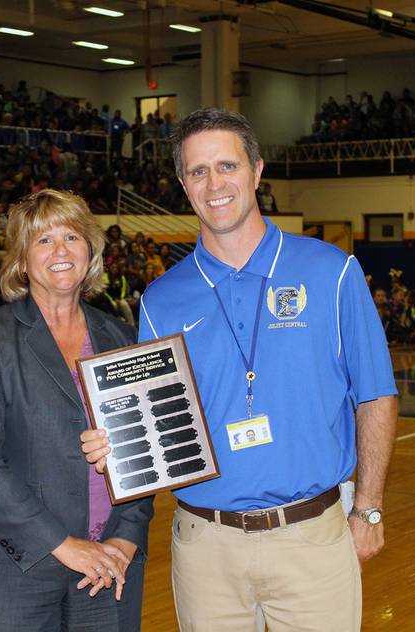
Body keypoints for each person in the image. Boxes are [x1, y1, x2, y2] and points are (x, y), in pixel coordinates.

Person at [81, 108, 398, 631]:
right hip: (205, 546)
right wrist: (117, 440)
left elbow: (376, 395)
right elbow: (152, 418)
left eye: (227, 166)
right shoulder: (162, 299)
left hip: (311, 536)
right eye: (198, 171)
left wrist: (368, 508)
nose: (215, 184)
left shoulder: (331, 271)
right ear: (184, 185)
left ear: (257, 170)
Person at [0, 188, 153, 630]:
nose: (60, 250)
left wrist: (128, 536)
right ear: (21, 260)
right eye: (43, 240)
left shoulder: (121, 336)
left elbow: (145, 447)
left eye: (72, 237)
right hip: (11, 569)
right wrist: (62, 543)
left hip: (110, 563)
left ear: (91, 250)